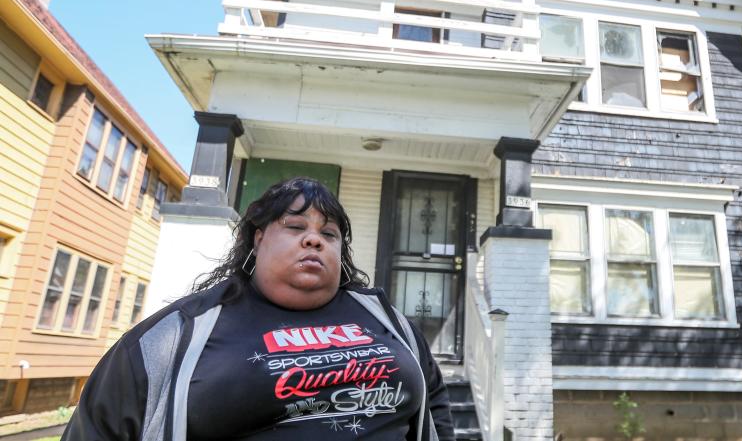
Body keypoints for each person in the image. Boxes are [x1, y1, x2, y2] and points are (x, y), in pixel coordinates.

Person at [62, 176, 454, 441]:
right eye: (296, 227)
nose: (314, 240)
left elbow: (433, 397)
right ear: (258, 238)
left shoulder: (384, 318)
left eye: (329, 234)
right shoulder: (178, 333)